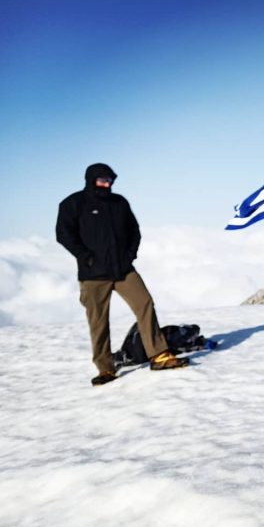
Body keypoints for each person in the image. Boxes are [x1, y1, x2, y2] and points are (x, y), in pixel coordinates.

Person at [56, 163, 188, 386]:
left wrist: (129, 256)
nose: (106, 184)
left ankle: (158, 355)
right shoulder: (73, 203)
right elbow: (63, 234)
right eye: (102, 180)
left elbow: (134, 231)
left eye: (109, 180)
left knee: (144, 304)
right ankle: (106, 369)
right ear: (91, 180)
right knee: (98, 321)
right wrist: (85, 256)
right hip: (93, 274)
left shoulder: (119, 203)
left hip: (123, 270)